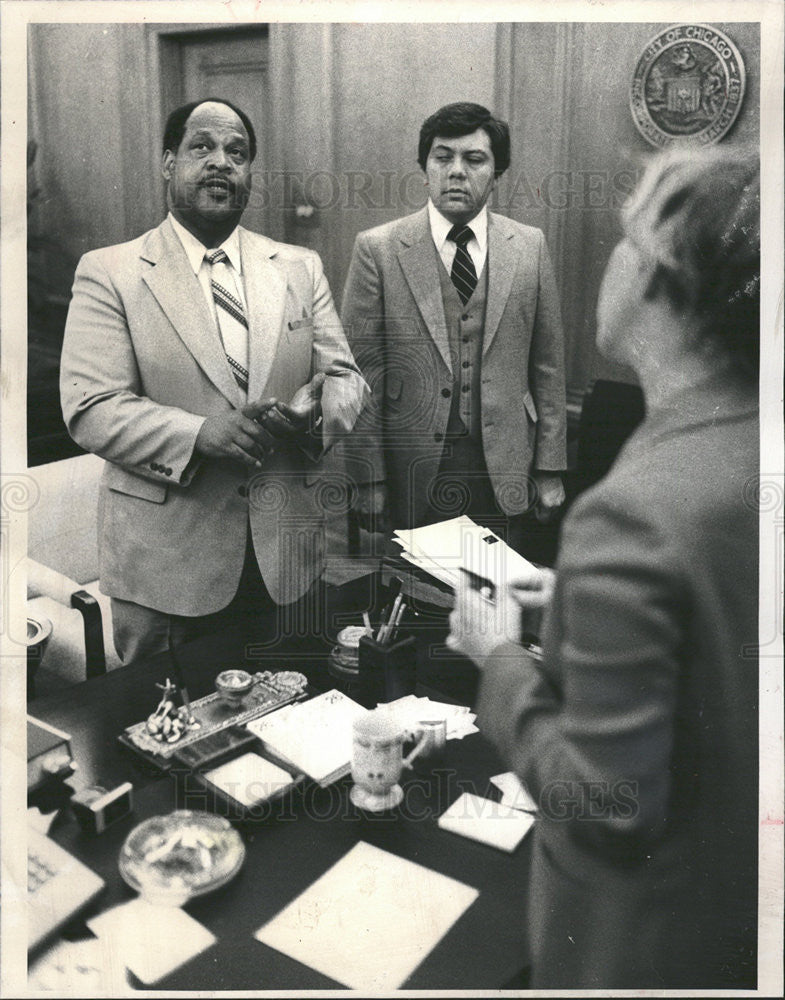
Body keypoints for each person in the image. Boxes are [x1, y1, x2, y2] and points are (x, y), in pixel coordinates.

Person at [447, 146, 760, 989]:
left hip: (644, 945)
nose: (611, 260)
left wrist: (500, 659)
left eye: (626, 239)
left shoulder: (634, 511)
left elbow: (608, 805)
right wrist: (580, 603)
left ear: (662, 281)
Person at [60, 98, 367, 665]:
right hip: (169, 566)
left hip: (286, 558)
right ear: (168, 163)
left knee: (289, 720)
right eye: (202, 147)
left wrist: (316, 412)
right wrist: (201, 433)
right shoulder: (111, 272)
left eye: (237, 152)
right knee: (164, 738)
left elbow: (345, 376)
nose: (221, 162)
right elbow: (91, 407)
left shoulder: (300, 265)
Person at [341, 102, 567, 558]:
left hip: (504, 467)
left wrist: (550, 468)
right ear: (424, 169)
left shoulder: (529, 247)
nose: (457, 172)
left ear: (497, 173)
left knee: (500, 607)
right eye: (443, 157)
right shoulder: (379, 250)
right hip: (414, 471)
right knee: (416, 606)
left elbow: (548, 368)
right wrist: (369, 477)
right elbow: (360, 376)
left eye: (475, 159)